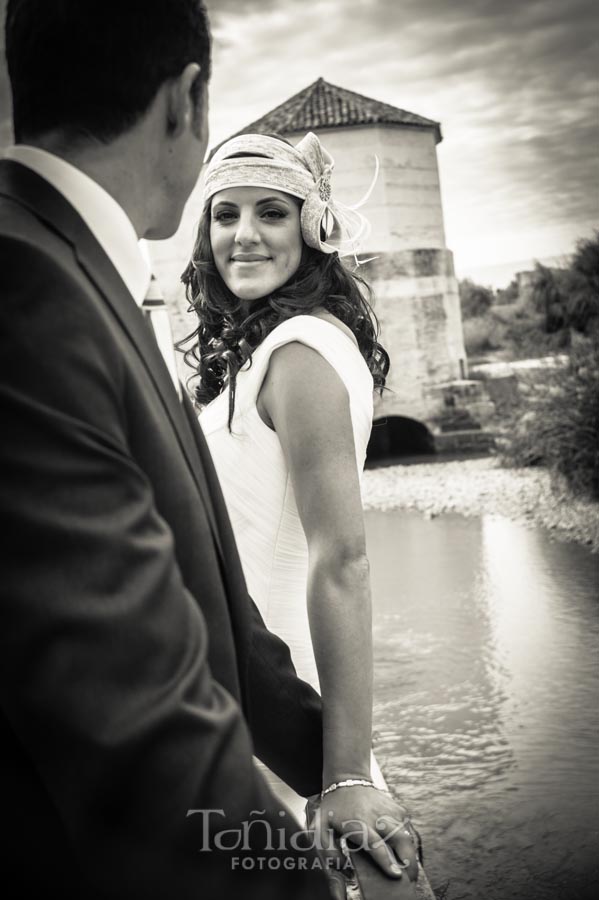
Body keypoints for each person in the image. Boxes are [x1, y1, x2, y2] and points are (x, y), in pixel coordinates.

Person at [0, 3, 336, 898]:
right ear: (186, 100)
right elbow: (131, 718)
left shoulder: (86, 268)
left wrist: (340, 769)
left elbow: (219, 607)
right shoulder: (25, 283)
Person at [182, 131, 424, 889]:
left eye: (271, 213)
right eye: (225, 214)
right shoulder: (256, 350)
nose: (243, 235)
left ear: (313, 228)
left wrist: (345, 771)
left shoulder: (300, 351)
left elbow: (342, 557)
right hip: (238, 697)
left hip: (289, 710)